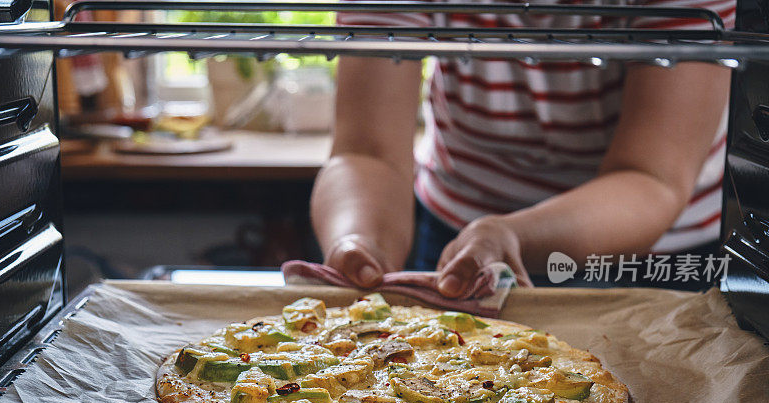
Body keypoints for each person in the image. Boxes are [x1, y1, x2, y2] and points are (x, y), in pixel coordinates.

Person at [311, 0, 735, 296]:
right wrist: (360, 241)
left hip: (654, 256)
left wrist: (510, 233)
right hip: (455, 233)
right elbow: (367, 151)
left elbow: (652, 176)